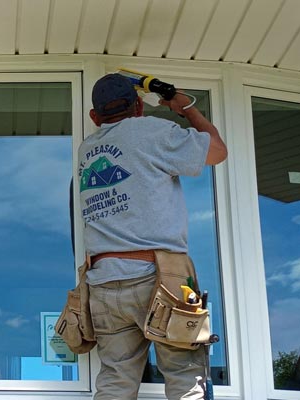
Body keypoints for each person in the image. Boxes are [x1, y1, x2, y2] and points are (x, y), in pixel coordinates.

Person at [77, 73, 227, 399]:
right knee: (187, 378)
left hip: (103, 283)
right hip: (158, 278)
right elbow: (217, 151)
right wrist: (186, 108)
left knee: (115, 382)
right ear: (139, 107)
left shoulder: (87, 150)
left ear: (94, 116)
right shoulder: (151, 131)